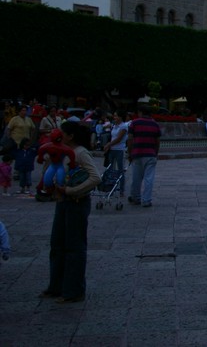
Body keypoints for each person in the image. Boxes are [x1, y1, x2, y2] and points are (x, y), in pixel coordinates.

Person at [39, 119, 101, 303]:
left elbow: (95, 177)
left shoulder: (81, 153)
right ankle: (56, 286)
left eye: (62, 133)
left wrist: (71, 190)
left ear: (70, 136)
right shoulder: (60, 151)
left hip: (76, 201)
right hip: (61, 201)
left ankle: (73, 290)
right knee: (57, 244)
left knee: (74, 246)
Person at [127, 106, 161, 208]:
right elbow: (158, 141)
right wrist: (155, 153)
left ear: (140, 112)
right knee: (149, 178)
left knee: (136, 177)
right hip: (150, 154)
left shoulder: (134, 123)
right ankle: (146, 200)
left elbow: (130, 139)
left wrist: (130, 153)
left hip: (137, 153)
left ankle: (136, 197)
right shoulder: (155, 124)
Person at [103, 112, 128, 195]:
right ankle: (110, 187)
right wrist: (109, 146)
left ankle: (122, 189)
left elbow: (119, 139)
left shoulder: (123, 126)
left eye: (116, 115)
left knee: (120, 169)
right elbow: (112, 137)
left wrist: (108, 145)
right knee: (110, 169)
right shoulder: (114, 125)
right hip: (112, 149)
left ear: (121, 117)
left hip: (120, 149)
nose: (114, 117)